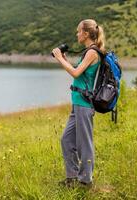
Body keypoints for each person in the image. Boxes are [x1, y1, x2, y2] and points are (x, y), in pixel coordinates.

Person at [52, 19, 106, 188]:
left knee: (84, 144)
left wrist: (60, 58)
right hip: (78, 104)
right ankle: (72, 178)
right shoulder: (88, 52)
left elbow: (76, 73)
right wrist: (64, 59)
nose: (77, 34)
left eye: (78, 31)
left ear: (86, 33)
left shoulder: (92, 52)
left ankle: (86, 181)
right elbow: (79, 74)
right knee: (66, 140)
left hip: (84, 105)